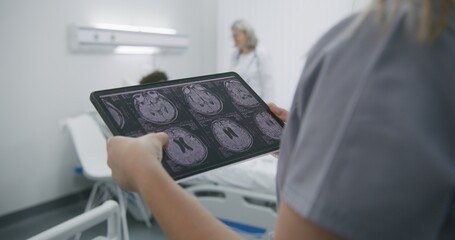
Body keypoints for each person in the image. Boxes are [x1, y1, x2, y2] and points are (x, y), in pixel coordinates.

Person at [106, 1, 455, 239]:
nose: (234, 39)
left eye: (238, 35)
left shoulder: (387, 45)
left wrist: (143, 171)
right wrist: (308, 131)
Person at [230, 19, 273, 101]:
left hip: (258, 102)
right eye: (233, 36)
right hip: (238, 100)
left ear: (247, 35)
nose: (234, 39)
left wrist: (268, 108)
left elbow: (268, 84)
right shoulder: (235, 55)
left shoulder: (261, 54)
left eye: (236, 35)